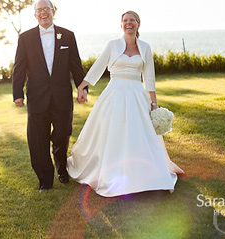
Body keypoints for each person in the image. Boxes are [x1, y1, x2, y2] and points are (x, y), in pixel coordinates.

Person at [67, 10, 184, 197]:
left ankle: (143, 174)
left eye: (132, 20)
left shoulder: (145, 47)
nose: (129, 23)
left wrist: (154, 105)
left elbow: (149, 78)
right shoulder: (112, 45)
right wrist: (82, 86)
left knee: (137, 133)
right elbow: (98, 66)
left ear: (138, 24)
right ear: (121, 25)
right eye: (125, 20)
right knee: (112, 132)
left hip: (137, 95)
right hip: (114, 94)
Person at [12, 0, 88, 192]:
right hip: (37, 98)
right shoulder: (25, 38)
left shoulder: (68, 35)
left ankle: (62, 169)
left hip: (62, 97)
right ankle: (45, 180)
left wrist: (82, 88)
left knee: (62, 136)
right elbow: (19, 68)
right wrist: (17, 93)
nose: (43, 13)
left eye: (47, 9)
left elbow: (76, 65)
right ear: (35, 14)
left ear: (54, 11)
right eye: (39, 10)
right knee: (38, 140)